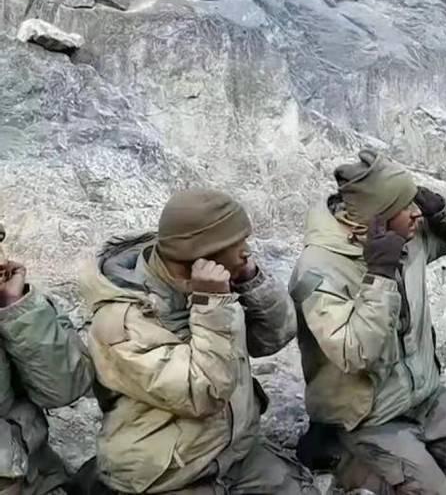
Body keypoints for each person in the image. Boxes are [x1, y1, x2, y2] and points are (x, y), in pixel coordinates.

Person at [287, 151, 446, 493]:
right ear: (377, 221)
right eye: (404, 205)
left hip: (425, 397)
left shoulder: (409, 237)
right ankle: (336, 451)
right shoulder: (318, 269)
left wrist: (440, 211)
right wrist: (380, 275)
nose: (416, 213)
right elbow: (355, 354)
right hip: (370, 416)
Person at [84, 190, 315, 494]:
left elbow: (272, 337)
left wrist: (250, 280)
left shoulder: (211, 279)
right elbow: (203, 394)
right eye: (237, 244)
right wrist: (211, 304)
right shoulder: (122, 323)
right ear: (202, 256)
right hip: (171, 475)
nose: (247, 251)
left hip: (233, 453)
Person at [0, 248, 92, 494]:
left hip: (36, 480)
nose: (2, 261)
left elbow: (65, 390)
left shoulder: (19, 304)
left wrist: (16, 310)